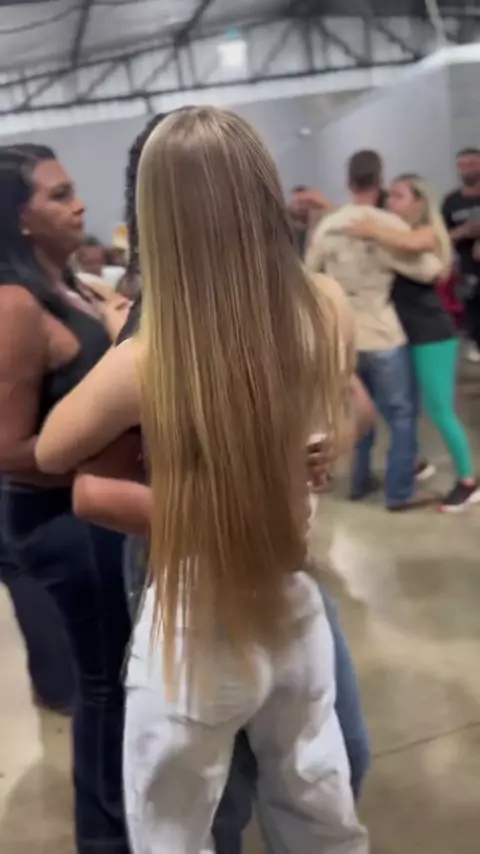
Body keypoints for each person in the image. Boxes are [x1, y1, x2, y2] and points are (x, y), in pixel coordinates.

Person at [35, 107, 369, 854]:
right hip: (291, 589)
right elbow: (342, 419)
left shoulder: (149, 357)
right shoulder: (325, 304)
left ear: (154, 217)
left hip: (195, 610)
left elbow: (55, 451)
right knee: (319, 799)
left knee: (176, 823)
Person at [0, 143, 131, 853]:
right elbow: (6, 447)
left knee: (122, 678)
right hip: (64, 521)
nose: (79, 204)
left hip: (98, 507)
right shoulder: (15, 305)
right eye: (59, 195)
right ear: (19, 217)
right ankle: (105, 838)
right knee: (105, 685)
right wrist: (109, 459)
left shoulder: (71, 286)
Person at [306, 150, 443, 511]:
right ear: (379, 181)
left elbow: (309, 276)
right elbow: (431, 270)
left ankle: (359, 481)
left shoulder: (329, 226)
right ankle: (399, 492)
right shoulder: (386, 225)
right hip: (383, 333)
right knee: (401, 415)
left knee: (357, 411)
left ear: (348, 181)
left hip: (345, 336)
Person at [346, 174, 480, 511]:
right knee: (396, 406)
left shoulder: (427, 232)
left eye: (399, 196)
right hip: (401, 335)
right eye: (389, 195)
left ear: (418, 202)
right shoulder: (394, 234)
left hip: (432, 336)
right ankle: (416, 461)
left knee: (440, 411)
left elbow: (416, 244)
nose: (391, 202)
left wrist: (372, 228)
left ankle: (468, 481)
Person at [442, 148, 480, 359]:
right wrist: (464, 231)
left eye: (472, 164)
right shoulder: (451, 202)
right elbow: (441, 237)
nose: (466, 170)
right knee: (471, 311)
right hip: (465, 269)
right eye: (462, 165)